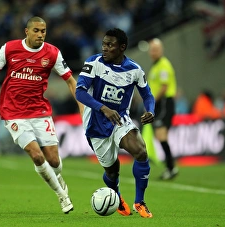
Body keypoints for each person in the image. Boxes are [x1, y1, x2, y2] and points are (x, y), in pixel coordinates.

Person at [0, 16, 83, 214]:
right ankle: (62, 195)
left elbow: (70, 80)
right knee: (36, 154)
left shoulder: (52, 53)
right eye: (36, 30)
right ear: (26, 32)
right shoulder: (9, 49)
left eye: (43, 31)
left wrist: (81, 105)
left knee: (54, 161)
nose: (40, 35)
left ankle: (58, 177)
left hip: (39, 111)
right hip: (13, 112)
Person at [76, 28, 155, 218]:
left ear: (122, 47)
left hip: (120, 118)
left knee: (140, 150)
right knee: (112, 171)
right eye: (104, 44)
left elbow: (147, 95)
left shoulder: (134, 69)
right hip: (96, 123)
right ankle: (117, 198)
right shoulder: (94, 63)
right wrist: (103, 108)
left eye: (110, 45)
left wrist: (150, 110)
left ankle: (139, 202)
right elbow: (80, 92)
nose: (105, 48)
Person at [147, 38, 178, 180]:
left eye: (156, 49)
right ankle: (170, 167)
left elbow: (164, 87)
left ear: (161, 50)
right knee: (160, 136)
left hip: (164, 103)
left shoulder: (164, 65)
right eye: (152, 49)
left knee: (161, 135)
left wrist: (152, 101)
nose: (153, 52)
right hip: (159, 103)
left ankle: (171, 167)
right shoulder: (155, 66)